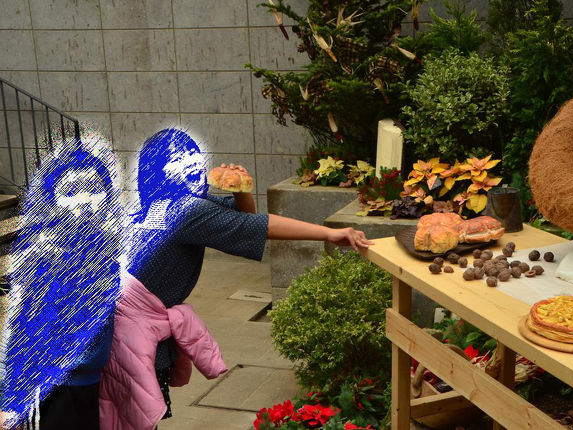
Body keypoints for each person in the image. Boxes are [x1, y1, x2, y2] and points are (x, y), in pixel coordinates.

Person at [99, 128, 372, 429]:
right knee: (128, 418)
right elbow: (260, 225)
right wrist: (330, 233)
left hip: (114, 329)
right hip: (127, 333)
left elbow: (245, 219)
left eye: (192, 153)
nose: (191, 161)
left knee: (117, 414)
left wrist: (240, 189)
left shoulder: (155, 207)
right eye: (177, 157)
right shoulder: (185, 211)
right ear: (157, 171)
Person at [0, 140, 122, 430]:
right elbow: (18, 323)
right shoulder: (43, 254)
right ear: (52, 200)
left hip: (89, 382)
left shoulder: (104, 246)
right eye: (70, 191)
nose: (84, 199)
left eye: (93, 189)